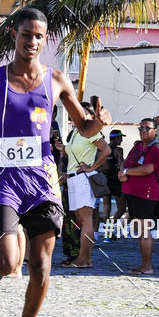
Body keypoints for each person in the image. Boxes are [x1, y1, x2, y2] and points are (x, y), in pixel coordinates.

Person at [0, 7, 111, 317]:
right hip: (5, 182)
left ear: (45, 39)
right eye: (27, 35)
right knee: (10, 264)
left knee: (41, 264)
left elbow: (82, 127)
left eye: (39, 36)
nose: (33, 42)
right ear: (14, 35)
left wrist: (98, 123)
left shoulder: (57, 80)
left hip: (43, 183)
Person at [57, 103, 110, 268]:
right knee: (80, 219)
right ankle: (83, 258)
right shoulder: (75, 133)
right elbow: (77, 153)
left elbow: (106, 150)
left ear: (90, 116)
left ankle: (85, 259)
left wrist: (92, 167)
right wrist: (63, 150)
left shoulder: (91, 132)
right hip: (73, 178)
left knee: (85, 219)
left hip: (83, 178)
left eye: (84, 113)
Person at [119, 119, 159, 275]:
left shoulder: (157, 149)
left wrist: (126, 173)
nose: (143, 130)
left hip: (146, 194)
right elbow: (126, 162)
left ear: (155, 130)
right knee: (139, 231)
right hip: (132, 192)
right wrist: (122, 171)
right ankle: (143, 264)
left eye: (147, 128)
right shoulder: (137, 145)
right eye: (141, 128)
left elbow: (147, 169)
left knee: (144, 231)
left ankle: (147, 266)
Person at [101, 129, 126, 228]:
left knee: (106, 206)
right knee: (122, 208)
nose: (121, 141)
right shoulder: (118, 150)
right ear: (115, 138)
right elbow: (121, 163)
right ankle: (111, 225)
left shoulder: (103, 149)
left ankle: (106, 226)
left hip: (105, 180)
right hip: (116, 181)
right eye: (120, 138)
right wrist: (124, 174)